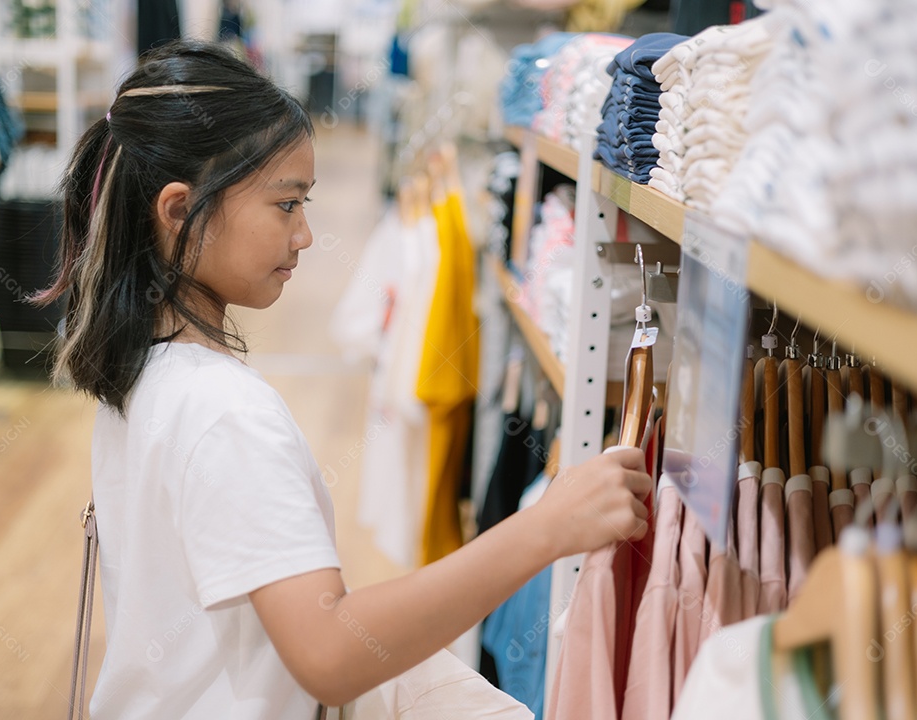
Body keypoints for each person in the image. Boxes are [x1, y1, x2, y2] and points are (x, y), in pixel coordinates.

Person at [36, 40, 652, 720]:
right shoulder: (223, 410)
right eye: (285, 205)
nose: (304, 235)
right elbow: (328, 653)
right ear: (178, 211)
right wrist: (547, 527)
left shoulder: (144, 375)